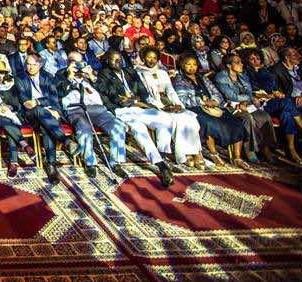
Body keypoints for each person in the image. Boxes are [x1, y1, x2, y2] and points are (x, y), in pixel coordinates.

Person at [95, 51, 175, 186]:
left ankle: (161, 154)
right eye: (114, 60)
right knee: (139, 129)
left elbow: (142, 91)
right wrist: (127, 100)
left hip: (138, 106)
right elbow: (111, 94)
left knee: (165, 120)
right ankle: (161, 165)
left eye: (119, 59)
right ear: (108, 61)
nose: (118, 62)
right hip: (123, 110)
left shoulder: (130, 71)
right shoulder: (104, 74)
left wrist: (136, 99)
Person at [173, 54, 250, 169]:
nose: (192, 67)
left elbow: (216, 93)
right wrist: (202, 102)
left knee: (236, 122)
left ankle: (237, 157)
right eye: (188, 65)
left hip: (213, 107)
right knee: (209, 123)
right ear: (182, 66)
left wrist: (214, 101)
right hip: (194, 107)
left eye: (194, 64)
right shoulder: (179, 79)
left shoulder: (203, 78)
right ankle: (214, 153)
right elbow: (182, 98)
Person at [133, 47, 206, 168]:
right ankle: (184, 154)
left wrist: (178, 104)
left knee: (189, 118)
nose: (152, 60)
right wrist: (162, 106)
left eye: (155, 58)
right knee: (176, 120)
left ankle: (196, 152)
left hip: (168, 100)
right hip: (154, 103)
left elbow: (170, 90)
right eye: (149, 57)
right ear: (143, 58)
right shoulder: (139, 72)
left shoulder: (162, 72)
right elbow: (145, 94)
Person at [12, 53, 78, 183]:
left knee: (45, 126)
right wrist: (40, 103)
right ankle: (65, 141)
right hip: (30, 115)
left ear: (40, 65)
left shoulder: (48, 77)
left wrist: (40, 103)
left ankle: (51, 165)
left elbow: (53, 98)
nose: (30, 67)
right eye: (28, 64)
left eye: (34, 65)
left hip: (50, 113)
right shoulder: (20, 78)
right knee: (40, 112)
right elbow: (26, 103)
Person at [60, 56, 129, 179]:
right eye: (75, 63)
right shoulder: (61, 75)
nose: (78, 66)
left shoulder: (91, 76)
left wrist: (92, 76)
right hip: (75, 110)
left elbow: (107, 91)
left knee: (118, 126)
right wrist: (69, 77)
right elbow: (59, 92)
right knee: (85, 129)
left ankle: (116, 162)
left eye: (81, 62)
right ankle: (90, 162)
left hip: (98, 110)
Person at [243, 48, 302, 162]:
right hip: (259, 103)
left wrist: (277, 93)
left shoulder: (267, 71)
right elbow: (251, 91)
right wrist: (267, 95)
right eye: (252, 59)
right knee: (287, 103)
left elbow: (275, 88)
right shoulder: (246, 73)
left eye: (258, 58)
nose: (256, 61)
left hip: (271, 101)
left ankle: (290, 147)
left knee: (287, 114)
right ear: (247, 61)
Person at [214, 53, 277, 163]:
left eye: (241, 62)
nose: (241, 64)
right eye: (238, 62)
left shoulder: (242, 75)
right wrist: (248, 98)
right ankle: (249, 150)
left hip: (246, 104)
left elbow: (249, 90)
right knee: (246, 117)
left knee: (264, 116)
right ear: (229, 65)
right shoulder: (221, 77)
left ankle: (266, 148)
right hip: (230, 107)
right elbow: (231, 96)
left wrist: (246, 100)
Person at [0, 60, 32, 178]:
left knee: (10, 127)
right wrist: (0, 107)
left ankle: (13, 164)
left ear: (5, 74)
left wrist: (8, 107)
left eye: (1, 72)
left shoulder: (11, 85)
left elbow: (16, 103)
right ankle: (25, 145)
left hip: (13, 115)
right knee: (5, 122)